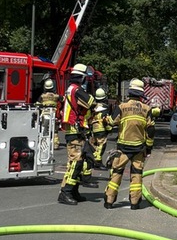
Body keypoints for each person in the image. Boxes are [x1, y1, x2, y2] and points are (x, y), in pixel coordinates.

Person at [104, 78, 158, 210]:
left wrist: (105, 119)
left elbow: (111, 122)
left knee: (117, 172)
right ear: (141, 95)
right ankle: (135, 203)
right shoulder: (147, 109)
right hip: (139, 148)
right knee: (137, 174)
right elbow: (150, 129)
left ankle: (109, 201)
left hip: (122, 147)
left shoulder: (121, 107)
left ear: (129, 93)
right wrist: (149, 147)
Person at [58, 63, 97, 206]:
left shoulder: (70, 89)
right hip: (75, 131)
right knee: (75, 163)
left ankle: (73, 191)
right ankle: (65, 192)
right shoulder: (77, 90)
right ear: (82, 78)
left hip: (75, 130)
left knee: (79, 162)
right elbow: (91, 102)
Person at [89, 88, 113, 168]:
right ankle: (98, 161)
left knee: (95, 145)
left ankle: (93, 160)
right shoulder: (105, 107)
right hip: (101, 129)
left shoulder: (94, 107)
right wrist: (109, 128)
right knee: (102, 145)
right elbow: (105, 119)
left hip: (94, 128)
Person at [38, 79, 62, 150]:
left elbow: (38, 104)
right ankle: (55, 145)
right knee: (55, 131)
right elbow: (63, 99)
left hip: (45, 114)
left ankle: (44, 144)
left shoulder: (42, 96)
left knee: (44, 129)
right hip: (54, 114)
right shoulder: (56, 96)